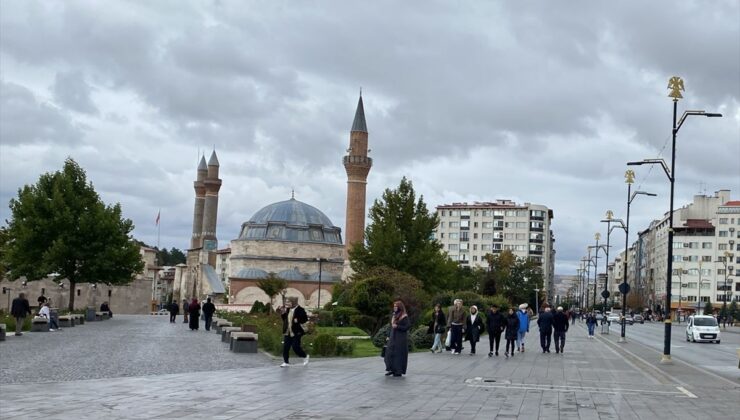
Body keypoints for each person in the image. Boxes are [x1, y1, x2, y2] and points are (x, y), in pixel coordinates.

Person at [280, 297, 309, 368]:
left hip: (297, 332)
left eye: (288, 302)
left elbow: (305, 319)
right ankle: (286, 362)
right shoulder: (288, 309)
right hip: (288, 331)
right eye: (286, 302)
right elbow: (285, 319)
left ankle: (305, 356)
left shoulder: (300, 310)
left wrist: (298, 320)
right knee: (286, 347)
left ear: (293, 302)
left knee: (295, 347)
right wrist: (283, 313)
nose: (287, 303)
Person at [384, 300, 410, 377]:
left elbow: (407, 326)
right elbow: (391, 327)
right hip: (393, 337)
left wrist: (398, 327)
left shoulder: (404, 316)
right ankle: (391, 369)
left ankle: (398, 371)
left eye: (396, 306)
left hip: (400, 338)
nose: (394, 308)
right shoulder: (394, 315)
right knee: (389, 353)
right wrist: (389, 335)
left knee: (398, 354)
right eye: (394, 306)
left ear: (400, 307)